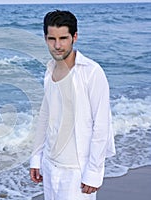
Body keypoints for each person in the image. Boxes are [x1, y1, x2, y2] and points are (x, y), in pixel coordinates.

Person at [29, 10, 116, 200]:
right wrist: (37, 158)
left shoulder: (91, 72)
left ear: (74, 37)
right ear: (45, 38)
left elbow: (101, 125)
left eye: (63, 38)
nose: (57, 45)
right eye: (52, 39)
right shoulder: (49, 70)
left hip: (76, 170)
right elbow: (45, 116)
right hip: (50, 165)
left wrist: (93, 172)